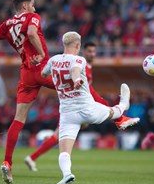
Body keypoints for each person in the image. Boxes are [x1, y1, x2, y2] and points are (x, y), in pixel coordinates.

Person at [0, 0, 139, 184]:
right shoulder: (32, 17)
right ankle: (119, 118)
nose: (34, 8)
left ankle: (7, 162)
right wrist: (42, 54)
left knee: (18, 119)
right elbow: (32, 33)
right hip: (42, 67)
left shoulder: (6, 24)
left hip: (26, 74)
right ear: (25, 6)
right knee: (86, 89)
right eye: (32, 5)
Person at [24, 42, 140, 171]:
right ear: (81, 50)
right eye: (89, 51)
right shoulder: (81, 66)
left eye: (94, 51)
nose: (92, 54)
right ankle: (121, 114)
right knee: (58, 136)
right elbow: (92, 94)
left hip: (73, 109)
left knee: (58, 137)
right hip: (76, 108)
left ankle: (34, 158)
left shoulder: (76, 64)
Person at [42, 31, 133, 184]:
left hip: (67, 113)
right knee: (113, 112)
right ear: (78, 46)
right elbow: (75, 70)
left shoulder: (53, 60)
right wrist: (76, 79)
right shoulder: (79, 59)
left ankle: (66, 174)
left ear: (64, 45)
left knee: (64, 151)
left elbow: (43, 73)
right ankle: (124, 104)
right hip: (86, 109)